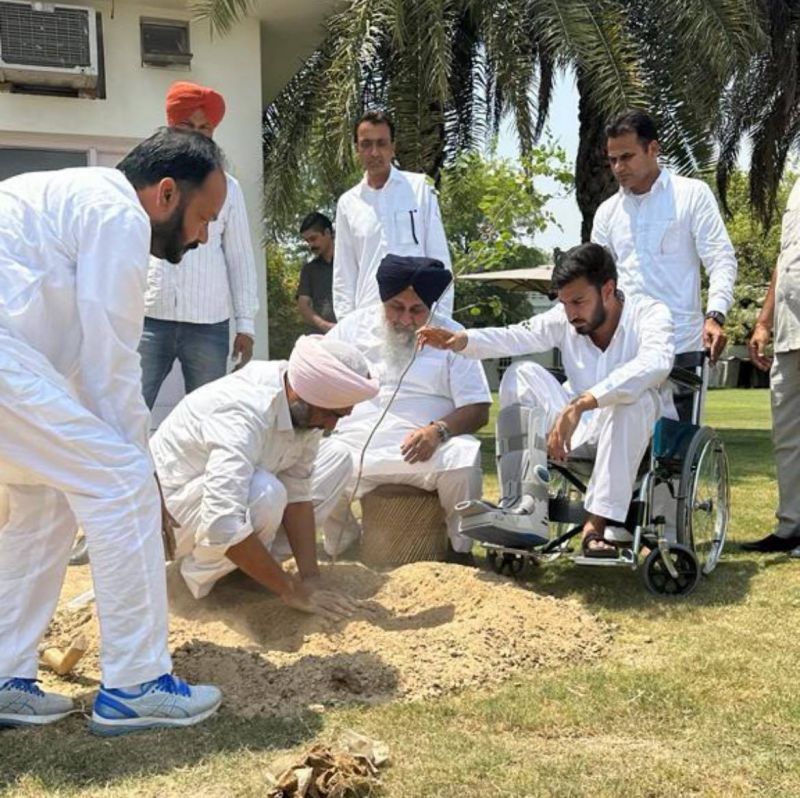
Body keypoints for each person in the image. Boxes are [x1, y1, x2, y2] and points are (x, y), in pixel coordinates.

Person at [0, 129, 227, 734]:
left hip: (13, 366)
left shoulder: (64, 204)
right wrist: (144, 479)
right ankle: (136, 683)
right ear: (167, 193)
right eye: (204, 218)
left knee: (45, 498)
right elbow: (111, 365)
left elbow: (77, 366)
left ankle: (2, 675)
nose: (204, 236)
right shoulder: (117, 211)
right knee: (121, 480)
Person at [418, 243, 676, 557]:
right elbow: (516, 335)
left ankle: (595, 526)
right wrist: (462, 340)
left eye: (578, 301)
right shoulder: (564, 317)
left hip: (637, 435)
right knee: (520, 373)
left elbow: (656, 362)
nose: (570, 314)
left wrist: (584, 402)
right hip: (574, 433)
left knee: (634, 401)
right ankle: (522, 505)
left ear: (608, 289)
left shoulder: (650, 313)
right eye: (564, 303)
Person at [150, 335, 378, 607]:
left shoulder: (307, 403)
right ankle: (193, 579)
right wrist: (289, 589)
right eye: (332, 415)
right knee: (265, 492)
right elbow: (221, 519)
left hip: (222, 502)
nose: (330, 425)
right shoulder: (243, 411)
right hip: (165, 522)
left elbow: (298, 491)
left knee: (337, 459)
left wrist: (310, 579)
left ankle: (247, 571)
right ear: (302, 397)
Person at [317, 255, 491, 563]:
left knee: (464, 456)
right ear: (382, 300)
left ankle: (459, 550)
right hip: (357, 448)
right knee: (317, 461)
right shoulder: (350, 330)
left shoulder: (451, 334)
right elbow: (316, 378)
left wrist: (438, 431)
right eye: (396, 307)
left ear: (431, 308)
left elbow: (478, 408)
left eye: (417, 310)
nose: (406, 320)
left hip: (426, 450)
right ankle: (342, 546)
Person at [591, 109, 736, 419]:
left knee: (677, 451)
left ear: (653, 149)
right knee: (621, 451)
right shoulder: (607, 213)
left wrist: (715, 315)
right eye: (613, 159)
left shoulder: (692, 195)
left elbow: (721, 258)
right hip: (626, 349)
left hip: (680, 346)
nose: (618, 167)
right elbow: (598, 282)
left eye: (627, 157)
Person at [139, 81, 260, 409]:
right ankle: (127, 462)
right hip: (149, 318)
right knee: (130, 408)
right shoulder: (148, 181)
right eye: (186, 125)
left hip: (209, 322)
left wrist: (245, 325)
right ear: (170, 127)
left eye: (205, 127)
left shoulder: (228, 189)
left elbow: (239, 258)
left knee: (208, 414)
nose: (196, 134)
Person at [332, 111, 453, 320]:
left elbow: (440, 259)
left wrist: (440, 320)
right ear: (356, 150)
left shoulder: (419, 189)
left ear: (393, 147)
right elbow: (344, 272)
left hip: (416, 315)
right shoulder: (348, 203)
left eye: (381, 143)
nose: (374, 152)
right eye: (366, 144)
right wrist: (345, 327)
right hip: (368, 320)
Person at [741, 178, 800, 553]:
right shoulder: (796, 187)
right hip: (789, 332)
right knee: (787, 438)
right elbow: (785, 261)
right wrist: (764, 322)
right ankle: (790, 526)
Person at [296, 212, 337, 333]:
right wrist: (325, 325)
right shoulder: (309, 270)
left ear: (328, 233)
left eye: (313, 238)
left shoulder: (351, 262)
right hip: (322, 339)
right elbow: (303, 305)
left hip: (353, 336)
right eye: (307, 241)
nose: (311, 245)